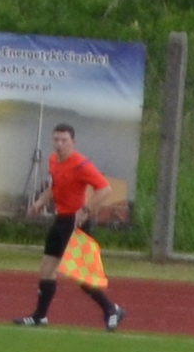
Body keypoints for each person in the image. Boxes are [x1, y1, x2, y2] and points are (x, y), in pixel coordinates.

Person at [18, 119, 126, 330]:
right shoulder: (53, 160)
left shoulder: (81, 164)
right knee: (47, 268)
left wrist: (85, 211)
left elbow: (105, 189)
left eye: (64, 140)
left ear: (73, 142)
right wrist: (41, 201)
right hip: (61, 220)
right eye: (56, 139)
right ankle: (40, 316)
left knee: (80, 275)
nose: (59, 144)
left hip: (76, 223)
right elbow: (55, 184)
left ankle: (112, 309)